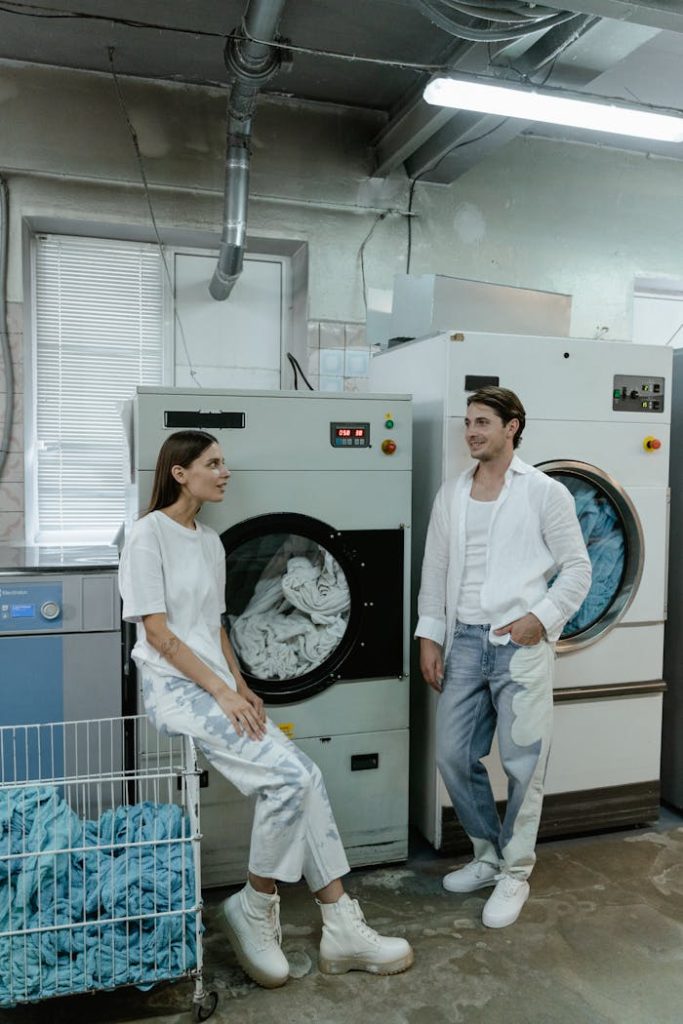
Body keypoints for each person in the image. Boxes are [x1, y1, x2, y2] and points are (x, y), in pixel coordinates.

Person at [119, 430, 413, 988]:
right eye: (213, 463)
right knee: (289, 780)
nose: (225, 472)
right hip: (177, 691)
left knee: (305, 777)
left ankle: (340, 924)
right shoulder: (146, 536)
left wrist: (240, 682)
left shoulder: (208, 540)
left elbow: (214, 626)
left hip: (214, 684)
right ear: (180, 473)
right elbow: (159, 635)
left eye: (223, 462)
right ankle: (254, 907)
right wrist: (220, 691)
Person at [416, 387, 591, 929]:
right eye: (468, 422)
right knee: (451, 754)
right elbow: (434, 568)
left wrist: (540, 618)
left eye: (483, 422)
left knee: (523, 764)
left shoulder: (544, 492)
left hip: (519, 644)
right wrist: (430, 635)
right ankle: (486, 855)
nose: (471, 431)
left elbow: (578, 569)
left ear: (512, 426)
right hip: (465, 641)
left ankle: (515, 870)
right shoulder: (452, 493)